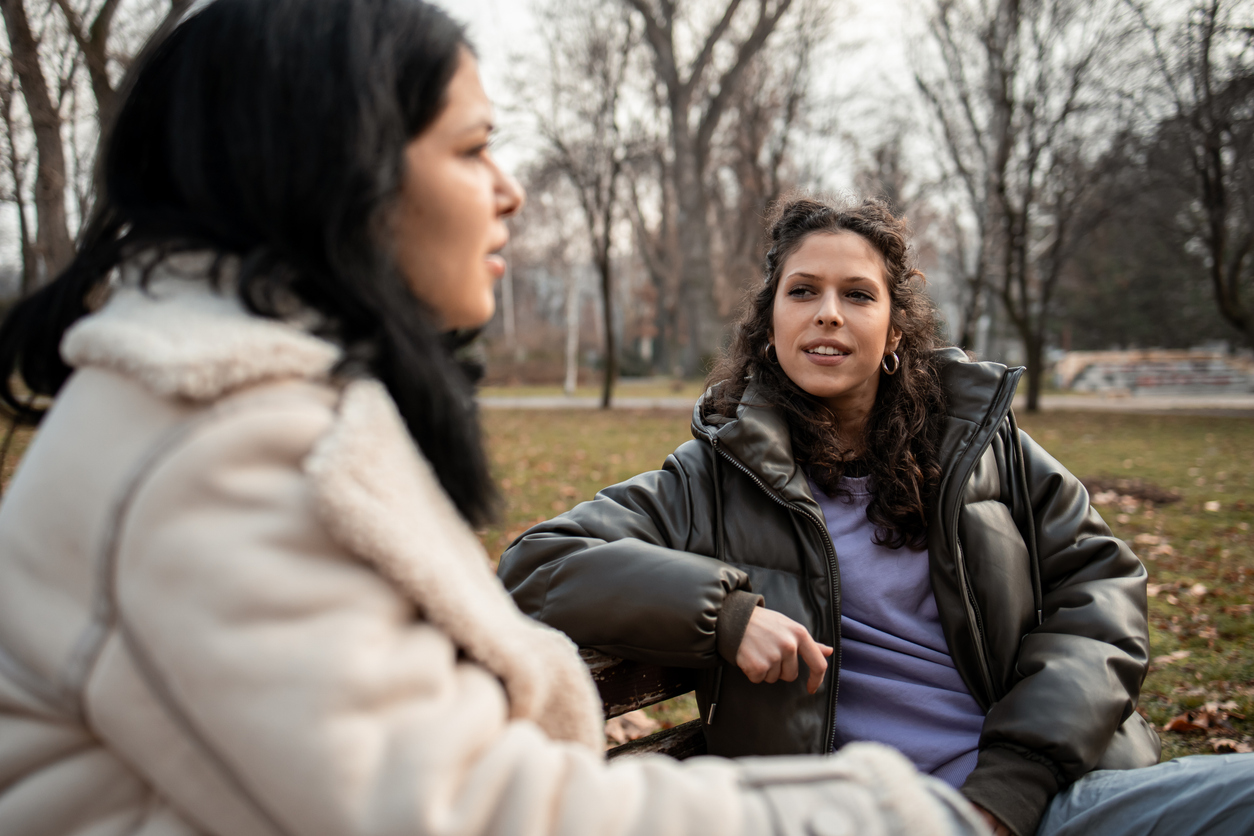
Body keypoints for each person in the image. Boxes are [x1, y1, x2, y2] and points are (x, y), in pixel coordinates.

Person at [0, 3, 991, 835]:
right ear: (338, 170)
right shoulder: (214, 452)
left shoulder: (236, 412)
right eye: (474, 148)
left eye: (858, 297)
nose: (510, 191)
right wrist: (880, 810)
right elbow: (465, 813)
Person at [498, 196, 1254, 836]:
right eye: (803, 292)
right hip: (870, 817)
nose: (828, 313)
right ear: (769, 326)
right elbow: (537, 561)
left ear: (894, 333)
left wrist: (1011, 788)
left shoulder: (983, 448)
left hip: (1045, 801)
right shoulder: (708, 482)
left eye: (857, 294)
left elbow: (1105, 586)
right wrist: (723, 613)